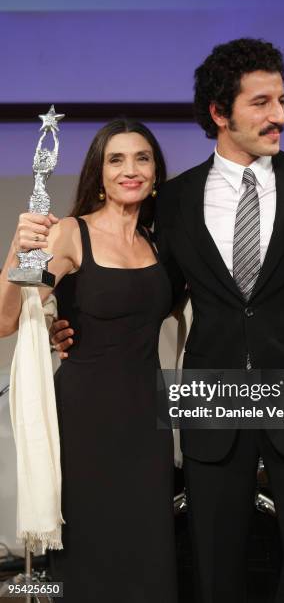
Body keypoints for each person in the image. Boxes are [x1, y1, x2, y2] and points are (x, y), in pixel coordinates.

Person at [53, 39, 284, 602]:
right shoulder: (174, 200)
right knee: (216, 577)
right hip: (212, 403)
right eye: (260, 102)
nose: (278, 115)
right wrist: (76, 324)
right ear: (219, 113)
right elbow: (152, 289)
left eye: (281, 99)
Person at [0, 119, 177, 603]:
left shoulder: (160, 244)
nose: (130, 170)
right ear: (98, 174)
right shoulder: (71, 234)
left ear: (156, 171)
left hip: (147, 421)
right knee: (90, 560)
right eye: (115, 160)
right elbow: (9, 317)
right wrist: (19, 250)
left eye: (141, 158)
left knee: (150, 557)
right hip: (85, 421)